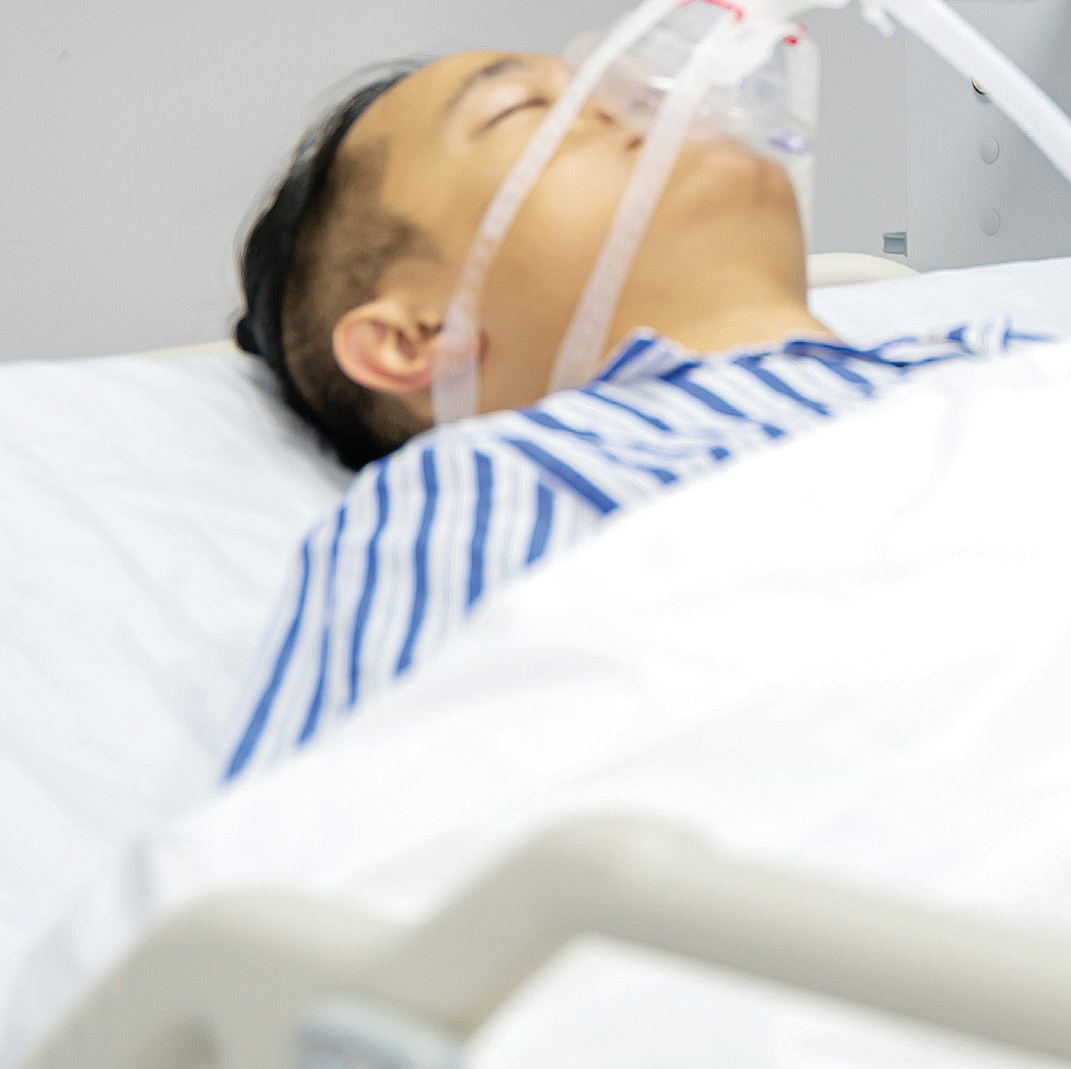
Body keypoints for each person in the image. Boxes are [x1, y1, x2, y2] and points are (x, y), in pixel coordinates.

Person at [224, 48, 1021, 780]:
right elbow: (335, 861)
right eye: (518, 108)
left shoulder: (1012, 363)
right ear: (415, 337)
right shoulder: (489, 490)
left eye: (606, 76)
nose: (641, 96)